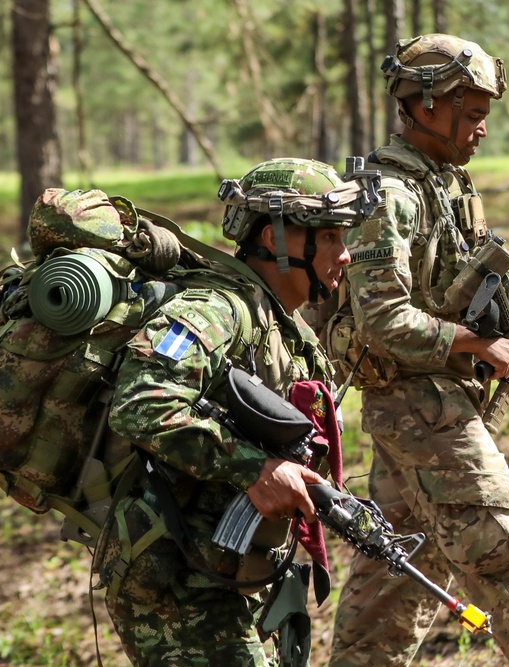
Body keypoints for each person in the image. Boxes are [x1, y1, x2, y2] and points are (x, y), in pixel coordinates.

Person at [327, 34, 509, 667]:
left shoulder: (445, 185)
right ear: (423, 107)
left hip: (434, 406)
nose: (481, 131)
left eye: (484, 116)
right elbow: (380, 320)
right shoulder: (389, 195)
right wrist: (478, 345)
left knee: (392, 590)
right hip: (423, 410)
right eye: (471, 115)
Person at [95, 158, 381, 666]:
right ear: (273, 239)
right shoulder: (214, 310)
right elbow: (141, 402)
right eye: (331, 236)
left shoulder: (283, 324)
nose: (345, 254)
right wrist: (257, 469)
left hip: (228, 571)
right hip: (178, 583)